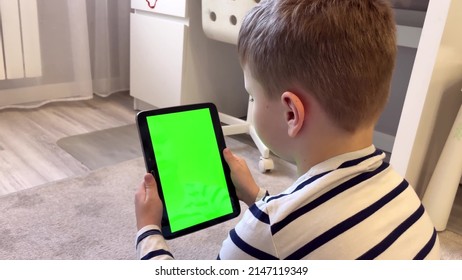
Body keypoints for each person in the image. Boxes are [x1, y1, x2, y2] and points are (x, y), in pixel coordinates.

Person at [134, 0, 440, 260]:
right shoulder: (405, 196)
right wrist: (256, 195)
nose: (251, 101)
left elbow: (284, 233)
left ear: (291, 113)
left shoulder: (264, 234)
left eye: (252, 94)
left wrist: (148, 229)